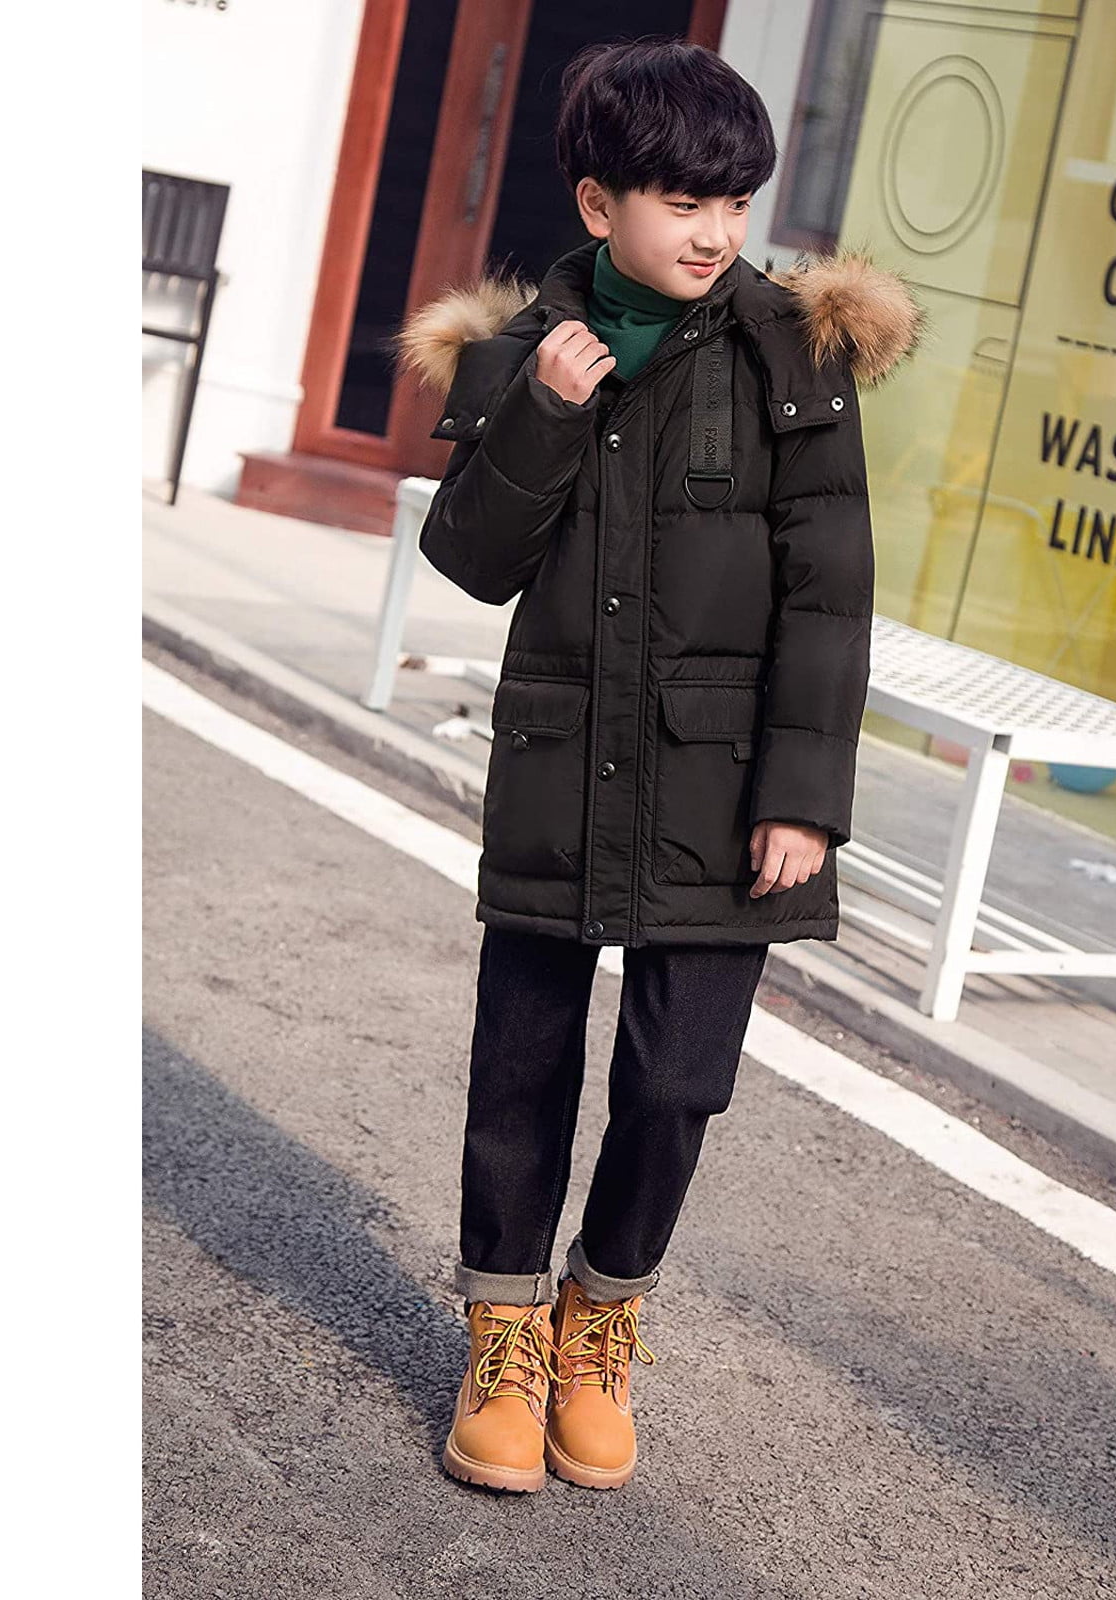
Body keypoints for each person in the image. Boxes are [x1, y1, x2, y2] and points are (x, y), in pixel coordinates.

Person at [396, 36, 923, 1494]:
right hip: (565, 760)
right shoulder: (529, 350)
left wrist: (805, 798)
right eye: (683, 202)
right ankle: (506, 1335)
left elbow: (830, 591)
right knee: (522, 1067)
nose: (714, 233)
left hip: (725, 777)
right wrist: (545, 413)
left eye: (735, 202)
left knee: (681, 1081)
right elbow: (471, 560)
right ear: (597, 202)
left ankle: (603, 1313)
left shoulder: (792, 353)